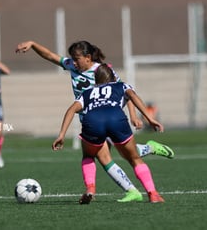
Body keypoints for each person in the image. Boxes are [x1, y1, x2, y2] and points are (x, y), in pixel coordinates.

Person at [16, 40, 173, 202]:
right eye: (73, 59)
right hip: (91, 121)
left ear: (88, 57)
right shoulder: (71, 65)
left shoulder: (103, 71)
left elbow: (125, 91)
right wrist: (33, 45)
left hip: (107, 116)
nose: (74, 62)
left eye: (77, 59)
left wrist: (133, 115)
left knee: (125, 154)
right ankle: (133, 188)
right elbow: (50, 56)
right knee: (108, 156)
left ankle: (143, 165)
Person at [52, 63, 165, 203]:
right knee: (133, 158)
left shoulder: (87, 93)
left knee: (89, 155)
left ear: (95, 79)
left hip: (93, 121)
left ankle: (91, 188)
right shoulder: (121, 86)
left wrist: (62, 135)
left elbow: (71, 110)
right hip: (115, 118)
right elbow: (133, 96)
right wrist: (150, 118)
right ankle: (152, 194)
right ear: (112, 77)